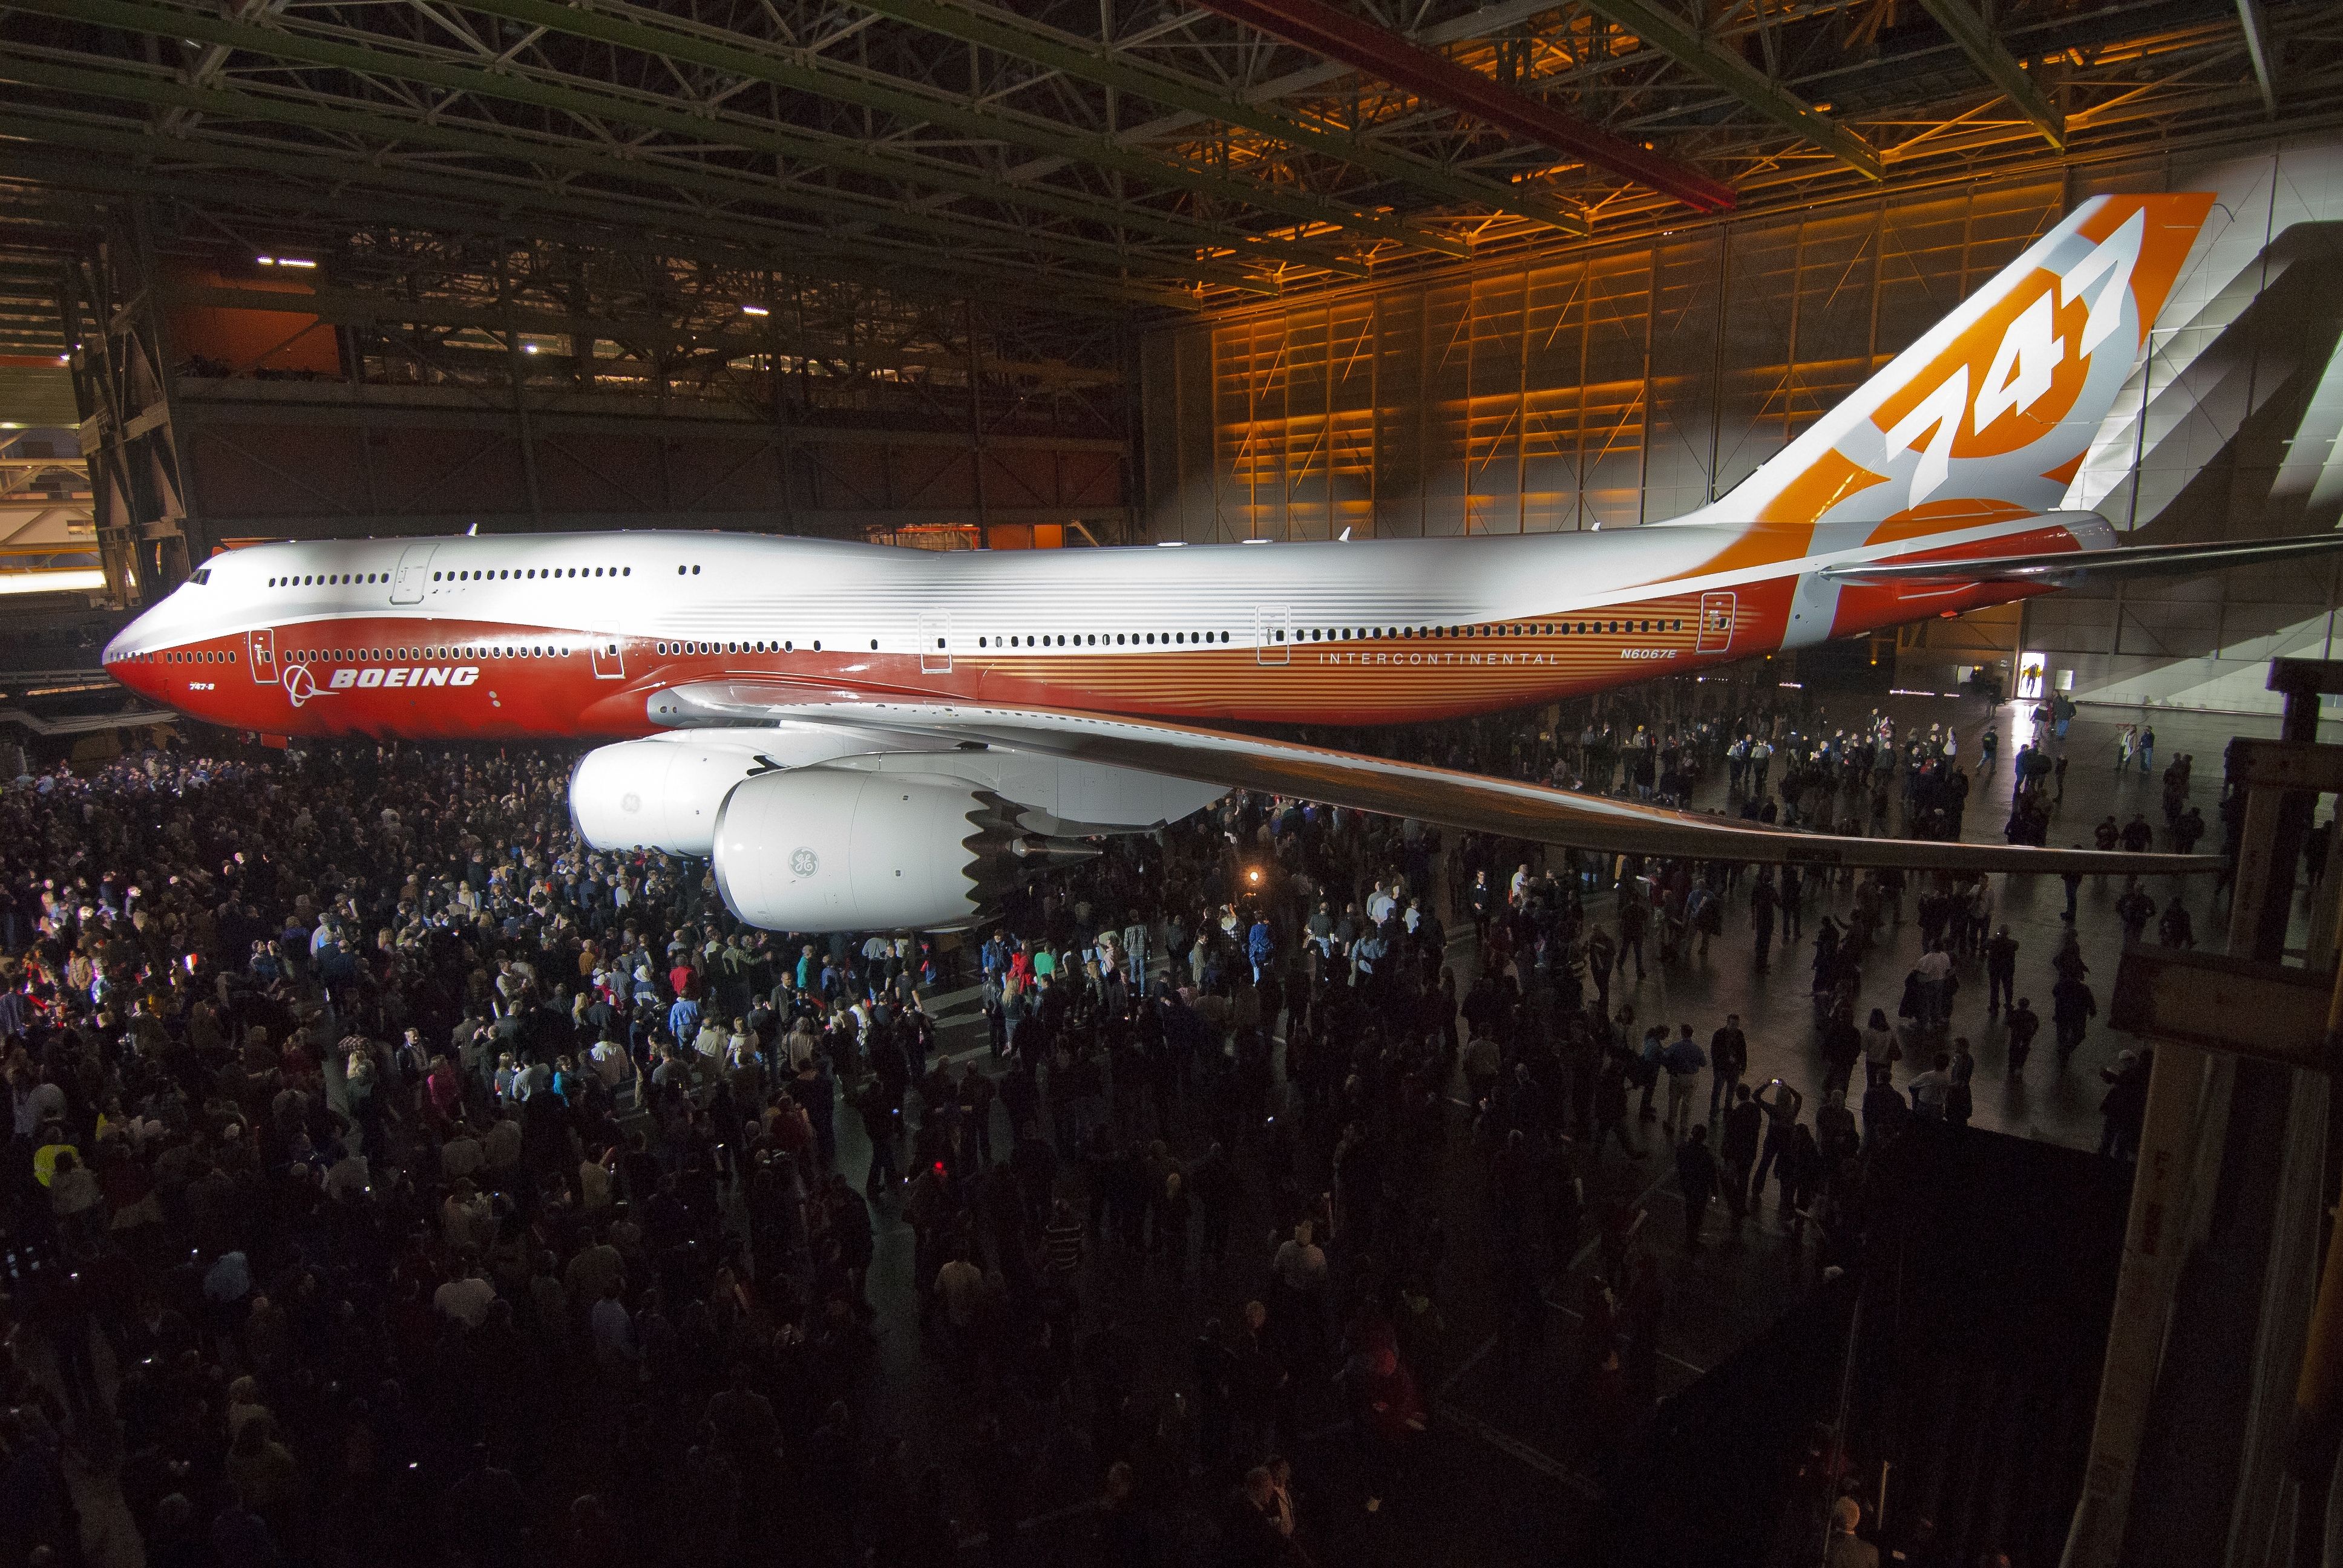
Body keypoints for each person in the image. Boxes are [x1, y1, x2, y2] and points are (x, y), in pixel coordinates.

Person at [1674, 1124, 1717, 1251]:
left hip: (1688, 1187)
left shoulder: (1684, 1150)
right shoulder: (1706, 1156)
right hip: (1701, 1191)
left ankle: (1690, 1239)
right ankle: (1692, 1241)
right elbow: (1712, 1177)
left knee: (1689, 1214)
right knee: (1698, 1216)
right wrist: (1714, 1195)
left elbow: (1680, 1166)